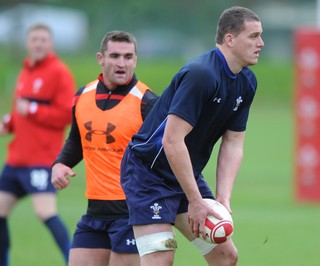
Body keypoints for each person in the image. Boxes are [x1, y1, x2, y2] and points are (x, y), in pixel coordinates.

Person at [120, 6, 264, 266]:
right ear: (230, 39)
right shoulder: (202, 75)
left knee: (226, 256)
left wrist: (223, 198)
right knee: (161, 259)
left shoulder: (247, 82)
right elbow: (172, 141)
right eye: (253, 36)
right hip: (148, 176)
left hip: (184, 174)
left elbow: (233, 143)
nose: (261, 43)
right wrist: (196, 201)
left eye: (260, 36)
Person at [51, 31, 158, 266]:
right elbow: (77, 140)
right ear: (101, 58)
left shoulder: (147, 102)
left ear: (135, 60)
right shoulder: (82, 96)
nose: (122, 63)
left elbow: (165, 156)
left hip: (131, 214)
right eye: (115, 56)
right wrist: (60, 164)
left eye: (128, 57)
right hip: (94, 213)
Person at [0, 24, 75, 266]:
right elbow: (19, 111)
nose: (39, 44)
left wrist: (32, 110)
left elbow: (66, 115)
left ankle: (75, 260)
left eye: (43, 39)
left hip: (41, 160)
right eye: (34, 40)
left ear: (50, 43)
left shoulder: (59, 72)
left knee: (45, 213)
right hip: (16, 160)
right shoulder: (25, 71)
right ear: (27, 43)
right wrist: (9, 123)